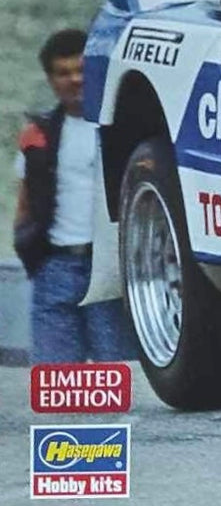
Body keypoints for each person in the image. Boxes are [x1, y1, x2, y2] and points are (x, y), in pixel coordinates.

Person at [13, 29, 136, 362]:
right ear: (51, 79)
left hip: (109, 269)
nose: (75, 80)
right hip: (55, 267)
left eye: (81, 70)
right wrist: (30, 252)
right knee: (55, 380)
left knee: (118, 377)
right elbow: (24, 202)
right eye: (64, 73)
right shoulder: (39, 134)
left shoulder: (121, 129)